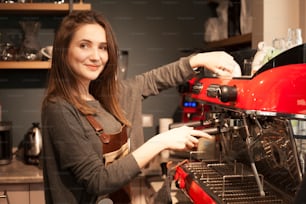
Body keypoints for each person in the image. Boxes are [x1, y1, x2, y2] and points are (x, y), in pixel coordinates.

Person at [41, 10, 240, 204]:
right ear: (64, 51)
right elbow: (97, 181)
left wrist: (198, 60)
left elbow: (151, 80)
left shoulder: (105, 95)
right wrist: (160, 142)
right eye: (84, 45)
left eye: (103, 47)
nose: (96, 56)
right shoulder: (59, 108)